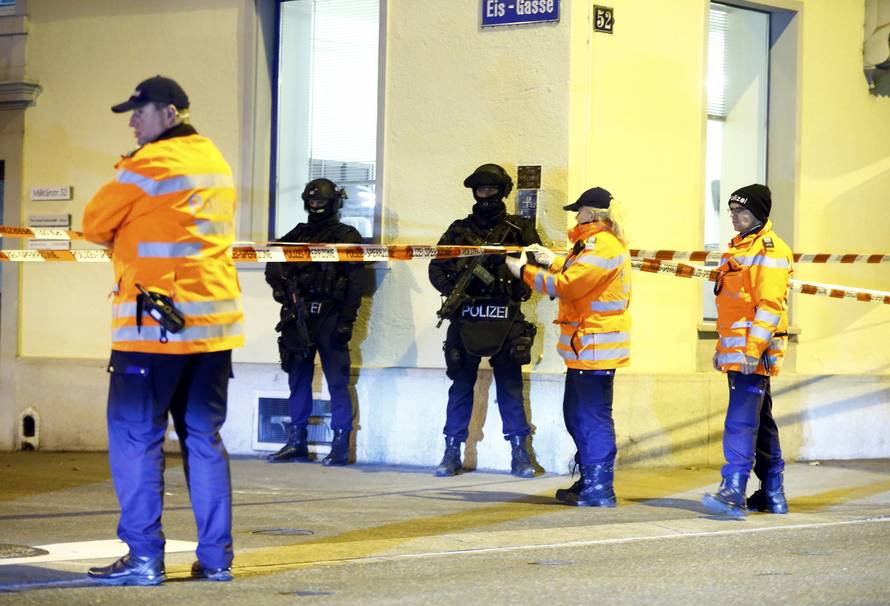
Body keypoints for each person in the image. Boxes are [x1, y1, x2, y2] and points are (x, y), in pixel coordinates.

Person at [82, 76, 244, 585]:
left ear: (170, 113)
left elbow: (94, 223)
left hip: (153, 330)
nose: (132, 122)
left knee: (136, 440)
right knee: (204, 440)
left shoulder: (149, 164)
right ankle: (216, 559)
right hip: (212, 330)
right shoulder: (215, 161)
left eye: (140, 112)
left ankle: (144, 557)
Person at [506, 186, 631, 507]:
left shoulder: (603, 244)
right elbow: (581, 274)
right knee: (577, 415)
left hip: (595, 347)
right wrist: (555, 261)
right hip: (586, 347)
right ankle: (590, 480)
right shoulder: (592, 243)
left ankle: (599, 487)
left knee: (591, 418)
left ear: (592, 213)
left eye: (579, 212)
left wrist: (525, 272)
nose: (576, 217)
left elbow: (571, 286)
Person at [428, 163, 542, 477]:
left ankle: (520, 454)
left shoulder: (519, 229)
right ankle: (451, 452)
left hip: (505, 315)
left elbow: (538, 265)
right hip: (466, 316)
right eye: (480, 189)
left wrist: (518, 283)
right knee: (461, 385)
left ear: (502, 191)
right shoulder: (459, 229)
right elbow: (437, 267)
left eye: (491, 188)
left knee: (510, 386)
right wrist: (455, 291)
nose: (485, 194)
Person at [702, 184, 793, 518]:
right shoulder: (741, 248)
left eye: (741, 210)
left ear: (758, 212)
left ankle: (733, 490)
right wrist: (721, 348)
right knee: (761, 421)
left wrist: (753, 350)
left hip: (753, 352)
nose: (734, 216)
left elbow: (770, 305)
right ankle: (773, 493)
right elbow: (733, 307)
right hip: (740, 349)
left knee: (740, 421)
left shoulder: (769, 249)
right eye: (731, 211)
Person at [265, 179, 365, 466]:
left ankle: (340, 445)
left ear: (334, 203)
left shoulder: (346, 236)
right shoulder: (297, 234)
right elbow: (271, 259)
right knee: (297, 380)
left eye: (321, 201)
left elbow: (356, 282)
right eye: (312, 201)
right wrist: (281, 288)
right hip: (299, 315)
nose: (316, 206)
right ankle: (296, 441)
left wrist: (347, 319)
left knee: (337, 381)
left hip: (331, 316)